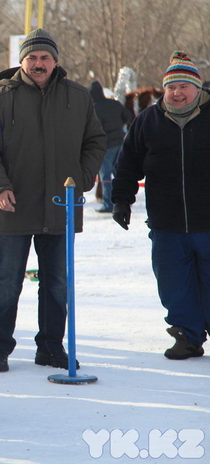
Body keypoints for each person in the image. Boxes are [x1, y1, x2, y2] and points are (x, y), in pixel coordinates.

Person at [0, 28, 105, 372]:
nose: (38, 63)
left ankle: (50, 347)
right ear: (21, 61)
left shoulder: (77, 97)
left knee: (56, 282)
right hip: (13, 204)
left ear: (55, 61)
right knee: (7, 280)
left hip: (61, 204)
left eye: (44, 58)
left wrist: (80, 180)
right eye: (31, 57)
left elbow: (95, 140)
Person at [112, 51, 210, 360]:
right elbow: (127, 165)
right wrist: (121, 200)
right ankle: (187, 336)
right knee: (173, 283)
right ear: (163, 90)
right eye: (171, 87)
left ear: (197, 89)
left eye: (184, 87)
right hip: (166, 223)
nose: (177, 93)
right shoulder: (148, 121)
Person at [89, 80, 131, 213]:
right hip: (119, 141)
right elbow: (128, 115)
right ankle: (123, 200)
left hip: (105, 145)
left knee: (105, 174)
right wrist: (120, 126)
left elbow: (92, 129)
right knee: (118, 172)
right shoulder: (114, 103)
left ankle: (108, 203)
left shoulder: (94, 109)